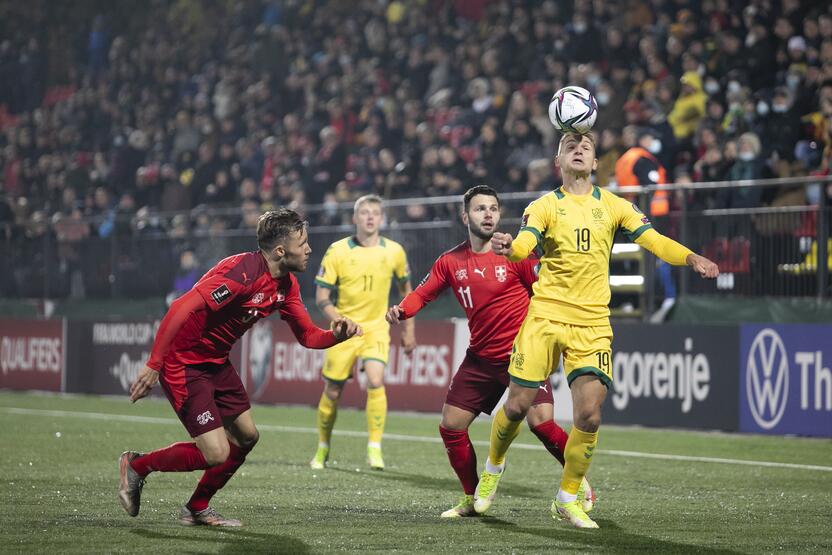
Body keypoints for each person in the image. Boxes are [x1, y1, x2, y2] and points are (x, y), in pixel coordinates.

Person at [479, 133, 719, 529]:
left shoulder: (615, 206)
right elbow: (526, 244)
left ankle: (567, 497)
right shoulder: (544, 205)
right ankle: (494, 467)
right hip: (546, 316)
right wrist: (510, 247)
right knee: (519, 406)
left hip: (592, 322)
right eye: (570, 145)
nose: (578, 149)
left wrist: (690, 257)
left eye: (586, 147)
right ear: (558, 160)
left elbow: (654, 240)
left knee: (589, 415)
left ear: (594, 164)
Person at [119, 209, 362, 527]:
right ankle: (137, 466)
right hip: (185, 363)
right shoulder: (241, 274)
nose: (309, 249)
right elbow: (180, 306)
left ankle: (196, 508)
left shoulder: (285, 286)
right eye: (302, 243)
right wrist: (154, 364)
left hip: (216, 362)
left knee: (247, 436)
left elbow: (307, 337)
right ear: (280, 251)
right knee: (217, 452)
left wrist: (336, 336)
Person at [386, 185, 592, 518]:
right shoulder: (450, 261)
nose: (488, 214)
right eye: (481, 209)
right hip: (480, 359)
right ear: (465, 216)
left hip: (523, 356)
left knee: (541, 423)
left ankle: (578, 482)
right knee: (451, 426)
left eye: (494, 209)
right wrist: (401, 310)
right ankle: (470, 498)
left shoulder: (516, 254)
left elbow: (548, 291)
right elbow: (422, 295)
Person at [311, 194, 416, 470]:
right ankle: (323, 447)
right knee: (333, 391)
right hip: (343, 331)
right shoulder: (338, 250)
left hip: (376, 328)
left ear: (381, 219)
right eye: (364, 212)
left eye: (375, 213)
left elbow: (408, 292)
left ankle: (374, 447)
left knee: (376, 380)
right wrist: (339, 320)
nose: (370, 217)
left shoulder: (394, 251)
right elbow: (322, 296)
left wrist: (409, 329)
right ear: (354, 218)